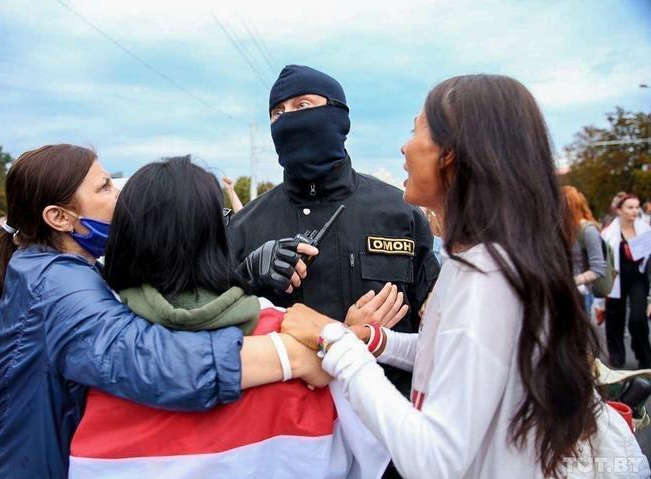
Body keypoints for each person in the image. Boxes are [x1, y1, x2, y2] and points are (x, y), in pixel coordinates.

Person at [281, 74, 649, 478]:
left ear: (452, 152)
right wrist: (374, 340)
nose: (404, 147)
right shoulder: (479, 260)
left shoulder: (487, 279)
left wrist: (335, 342)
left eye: (416, 129)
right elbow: (449, 351)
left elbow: (434, 462)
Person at [0, 144, 330, 479]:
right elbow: (154, 361)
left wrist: (242, 277)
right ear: (59, 218)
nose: (119, 195)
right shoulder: (55, 282)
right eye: (105, 187)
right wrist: (292, 355)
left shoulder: (57, 268)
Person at [69, 156, 403, 478]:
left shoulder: (92, 340)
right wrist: (347, 341)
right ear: (216, 235)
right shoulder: (301, 334)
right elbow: (375, 452)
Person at [226, 65, 440, 403]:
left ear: (339, 117)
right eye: (277, 113)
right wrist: (246, 279)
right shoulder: (245, 226)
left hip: (387, 431)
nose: (287, 119)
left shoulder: (400, 213)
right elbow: (218, 333)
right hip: (289, 435)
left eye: (302, 106)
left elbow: (437, 332)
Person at [602, 194, 651, 369]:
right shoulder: (609, 233)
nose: (635, 211)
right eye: (630, 207)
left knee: (638, 318)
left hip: (638, 278)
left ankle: (643, 354)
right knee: (615, 318)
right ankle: (617, 356)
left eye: (637, 207)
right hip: (616, 279)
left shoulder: (644, 229)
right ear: (620, 210)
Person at [562, 186, 606, 316]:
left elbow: (598, 269)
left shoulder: (587, 231)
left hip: (580, 295)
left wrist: (572, 281)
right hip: (561, 292)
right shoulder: (560, 229)